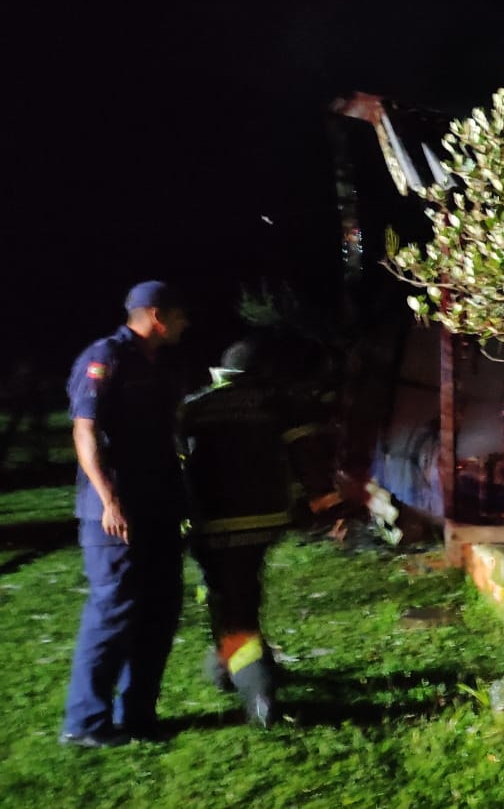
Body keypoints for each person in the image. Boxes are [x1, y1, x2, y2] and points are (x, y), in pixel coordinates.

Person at [60, 281, 191, 747]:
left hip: (159, 506)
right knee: (113, 610)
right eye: (179, 316)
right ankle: (85, 723)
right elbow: (84, 432)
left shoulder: (161, 365)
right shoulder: (106, 357)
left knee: (160, 609)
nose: (185, 324)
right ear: (157, 315)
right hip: (115, 512)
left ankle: (137, 715)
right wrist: (109, 500)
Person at [179, 336, 330, 728]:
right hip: (263, 520)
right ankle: (227, 665)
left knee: (230, 603)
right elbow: (307, 456)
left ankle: (257, 690)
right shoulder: (276, 404)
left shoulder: (194, 407)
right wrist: (322, 501)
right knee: (238, 593)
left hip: (208, 522)